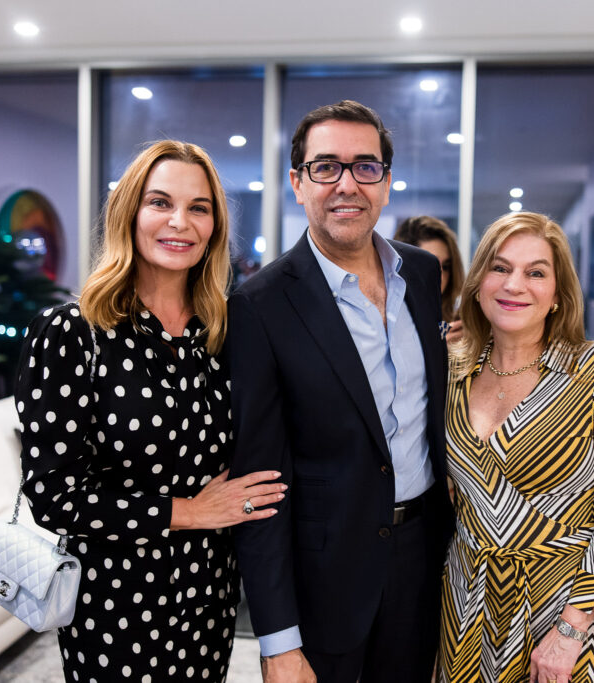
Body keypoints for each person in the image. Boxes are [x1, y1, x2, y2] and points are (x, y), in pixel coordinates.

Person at [14, 141, 285, 681]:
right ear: (130, 213)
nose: (180, 222)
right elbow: (52, 496)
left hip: (209, 595)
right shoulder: (73, 331)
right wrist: (190, 512)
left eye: (199, 207)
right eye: (160, 202)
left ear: (215, 226)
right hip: (114, 603)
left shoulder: (221, 333)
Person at [227, 100, 454, 683]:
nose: (347, 184)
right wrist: (277, 640)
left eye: (365, 167)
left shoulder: (422, 273)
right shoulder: (260, 305)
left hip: (424, 557)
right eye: (326, 167)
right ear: (298, 184)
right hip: (323, 579)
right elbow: (261, 481)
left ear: (386, 181)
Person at [439, 211, 594, 683]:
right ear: (477, 283)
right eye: (500, 268)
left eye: (536, 272)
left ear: (558, 295)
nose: (515, 284)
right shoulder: (454, 369)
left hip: (570, 608)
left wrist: (572, 630)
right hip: (468, 601)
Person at [394, 215, 465, 342]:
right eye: (431, 266)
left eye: (447, 266)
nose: (441, 277)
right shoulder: (385, 320)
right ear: (403, 266)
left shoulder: (454, 323)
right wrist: (438, 349)